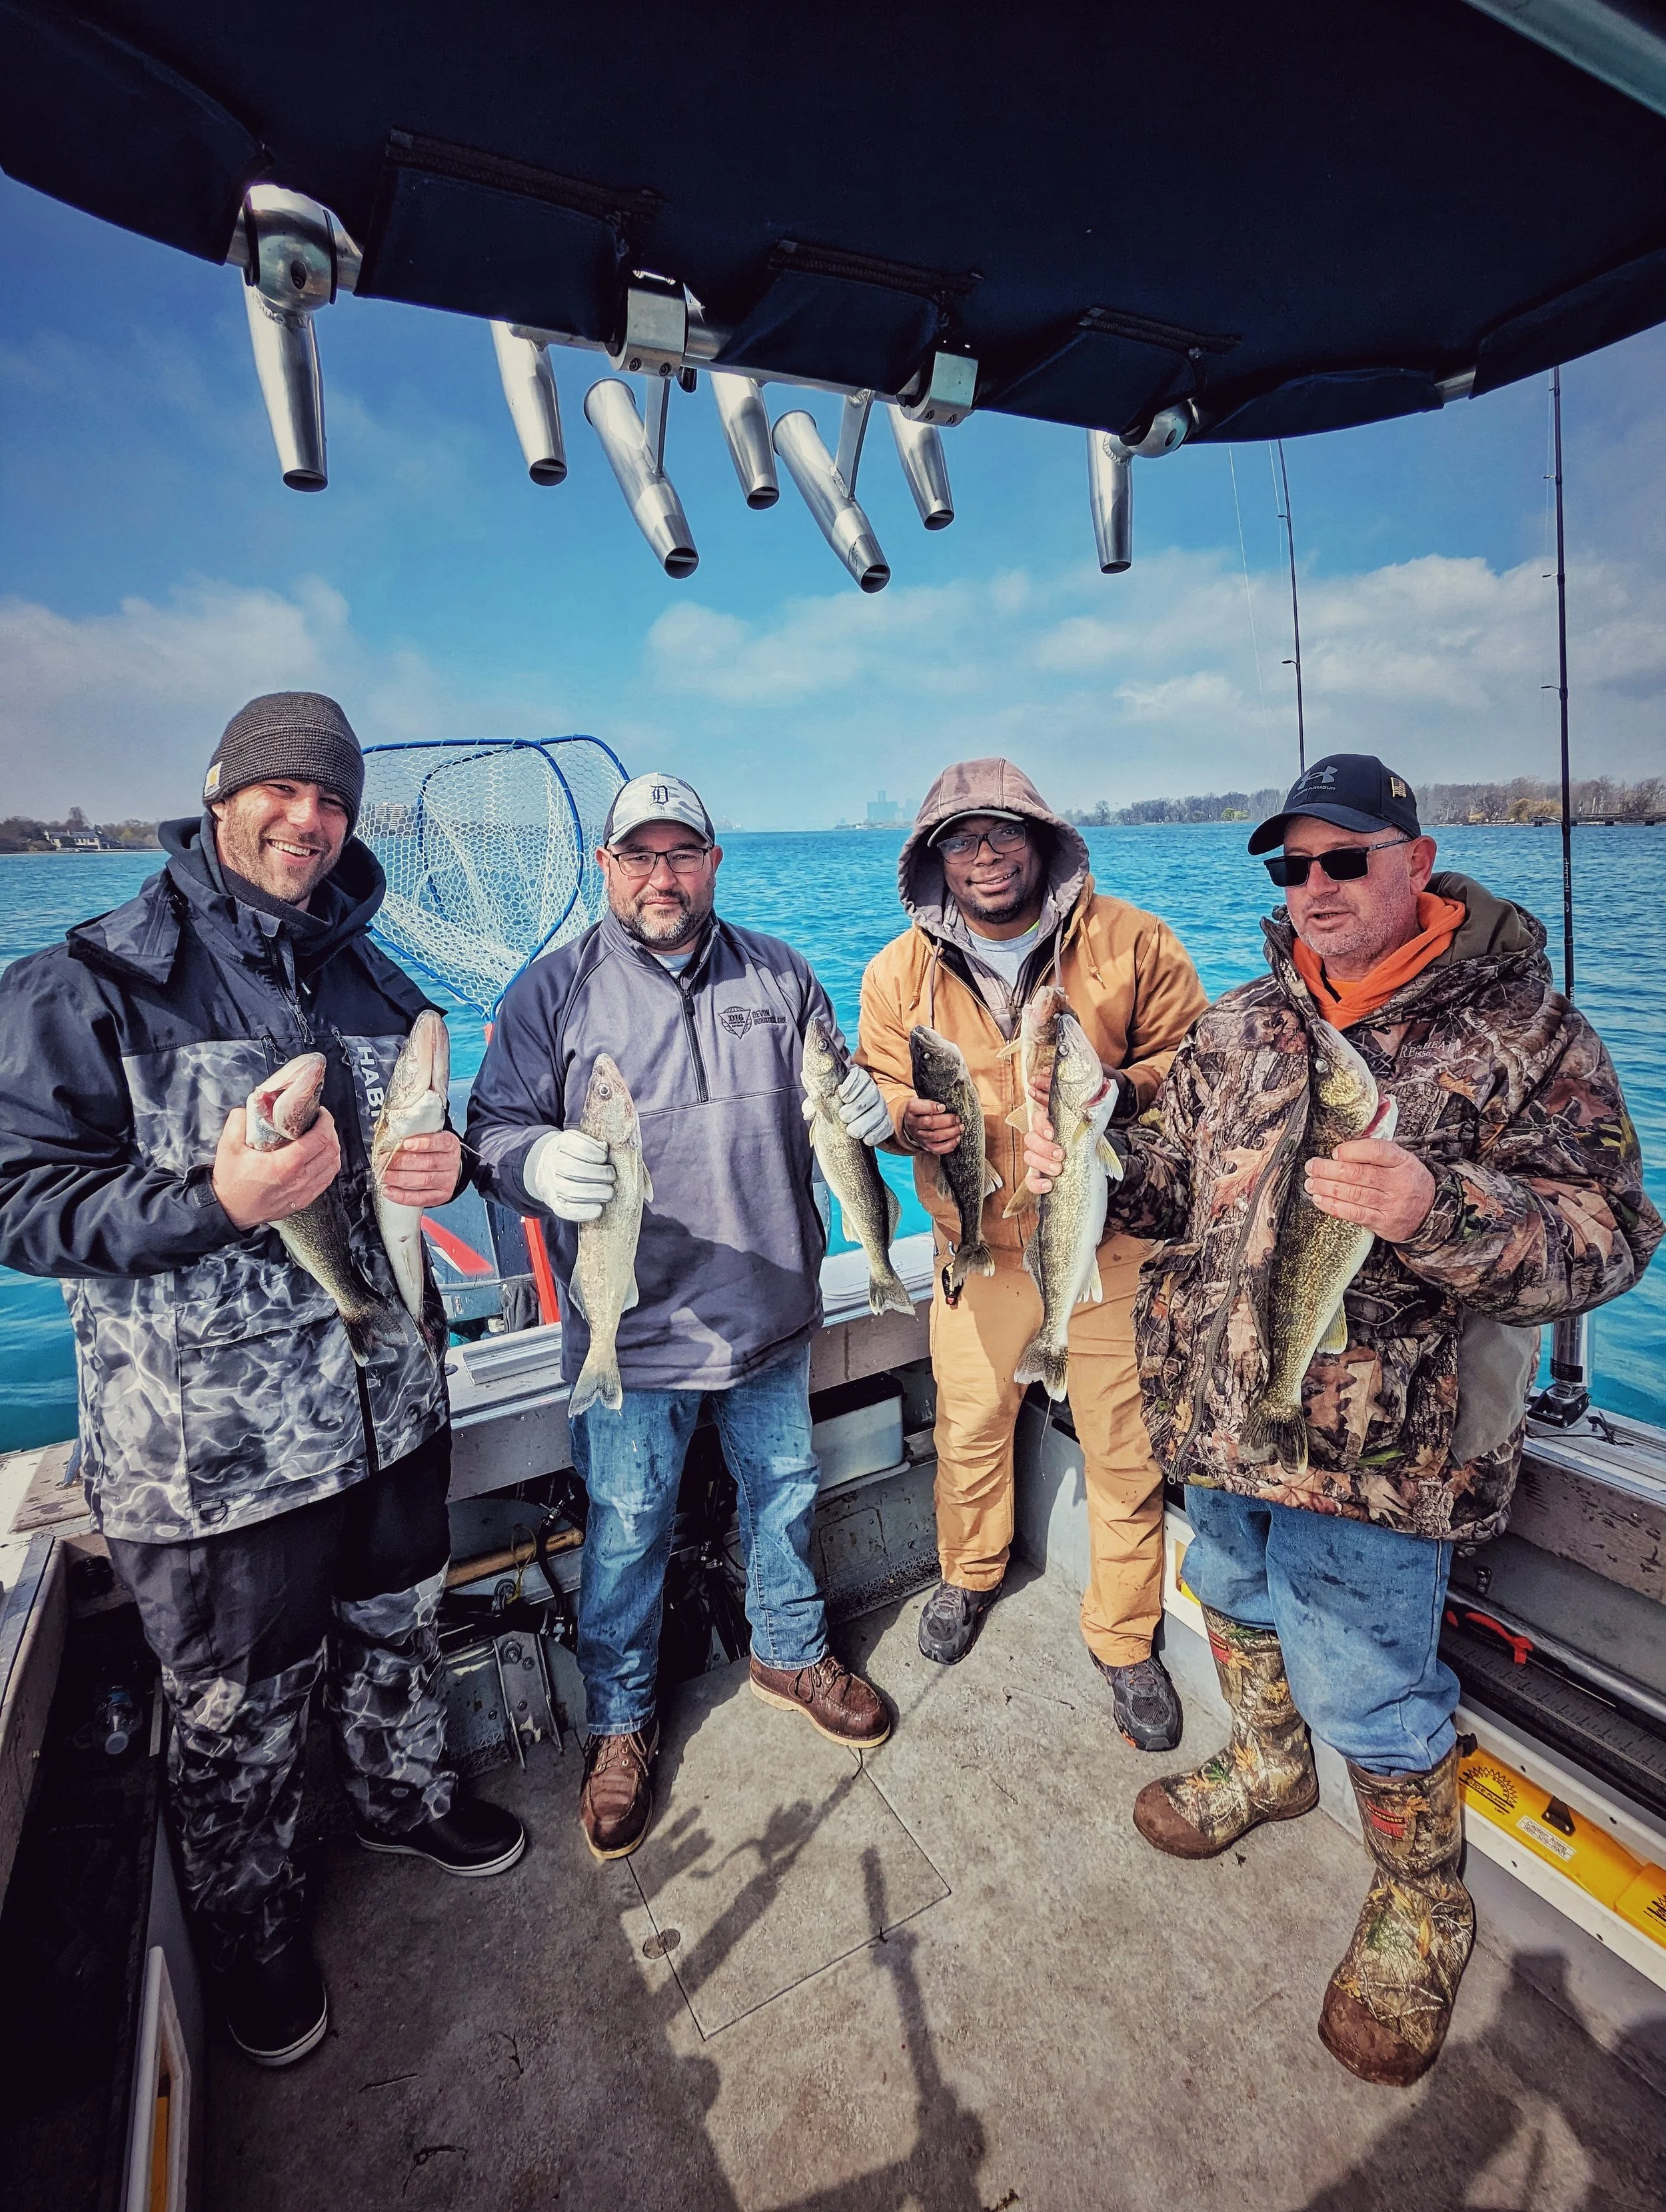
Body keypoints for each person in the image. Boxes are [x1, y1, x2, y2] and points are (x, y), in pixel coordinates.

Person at [1024, 752, 1662, 2085]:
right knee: (1233, 1597)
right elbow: (1152, 1191)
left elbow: (1611, 1239)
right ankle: (1264, 1763)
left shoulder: (1529, 1036)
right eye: (1288, 866)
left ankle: (1422, 1899)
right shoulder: (1243, 1020)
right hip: (1221, 1421)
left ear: (1413, 860)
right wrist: (1079, 1148)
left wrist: (1443, 1209)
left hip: (1383, 1452)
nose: (1310, 888)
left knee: (1367, 1686)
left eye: (1341, 858)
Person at [0, 694, 526, 2071]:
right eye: (280, 793)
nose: (306, 820)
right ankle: (254, 1927)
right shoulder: (91, 982)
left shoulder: (386, 990)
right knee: (237, 1709)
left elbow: (423, 1166)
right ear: (221, 794)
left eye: (331, 800)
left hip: (392, 1408)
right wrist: (212, 1200)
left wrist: (448, 1167)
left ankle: (406, 1797)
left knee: (398, 1632)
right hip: (214, 1456)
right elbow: (21, 1202)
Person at [466, 771, 892, 1862]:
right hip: (633, 1337)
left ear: (713, 863)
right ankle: (619, 1723)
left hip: (771, 1315)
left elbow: (837, 1116)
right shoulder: (548, 993)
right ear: (604, 868)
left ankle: (791, 1651)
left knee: (788, 1494)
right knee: (625, 1530)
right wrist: (530, 1161)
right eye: (639, 856)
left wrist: (870, 1113)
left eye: (682, 854)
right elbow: (492, 1133)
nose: (663, 876)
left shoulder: (785, 973)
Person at [856, 759, 1208, 1746]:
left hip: (1109, 1244)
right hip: (973, 1251)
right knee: (968, 1431)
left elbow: (1199, 1063)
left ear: (1043, 840)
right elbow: (874, 1090)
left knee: (1125, 1454)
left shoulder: (1131, 941)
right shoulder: (897, 973)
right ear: (934, 861)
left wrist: (1122, 1100)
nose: (984, 856)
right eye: (960, 840)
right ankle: (969, 1576)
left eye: (1003, 833)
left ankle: (1124, 1637)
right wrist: (897, 1119)